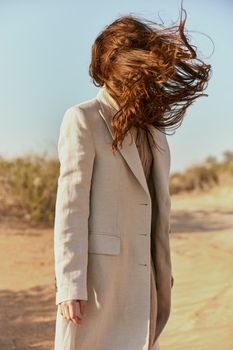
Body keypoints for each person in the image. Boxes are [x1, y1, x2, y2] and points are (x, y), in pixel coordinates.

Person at [53, 6, 211, 350]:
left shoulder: (153, 127)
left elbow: (155, 202)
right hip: (99, 279)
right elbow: (71, 209)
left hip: (146, 274)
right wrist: (70, 285)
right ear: (109, 68)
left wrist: (159, 263)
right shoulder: (83, 119)